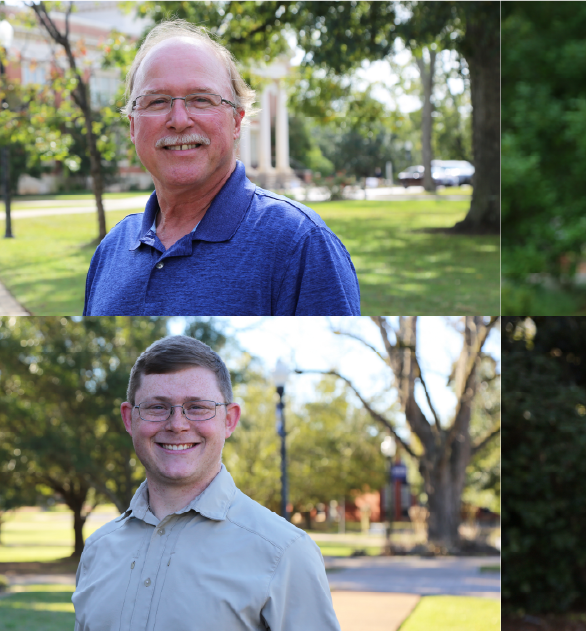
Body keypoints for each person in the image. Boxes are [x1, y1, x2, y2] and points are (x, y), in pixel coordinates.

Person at [84, 20, 360, 315]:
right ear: (133, 125)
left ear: (237, 121)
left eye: (201, 99)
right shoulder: (111, 249)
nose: (179, 120)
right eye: (157, 101)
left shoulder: (302, 244)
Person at [72, 335, 341, 631]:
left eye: (198, 407)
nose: (177, 424)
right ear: (129, 419)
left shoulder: (285, 552)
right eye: (157, 407)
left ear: (229, 420)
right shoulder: (98, 549)